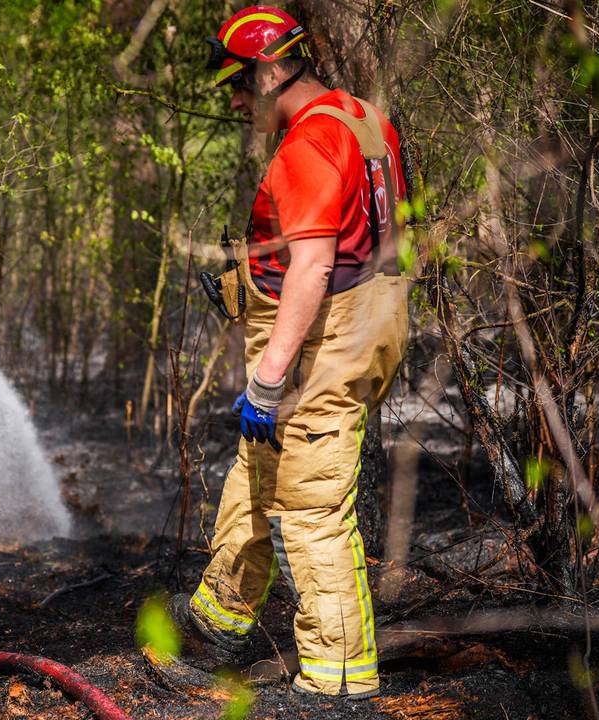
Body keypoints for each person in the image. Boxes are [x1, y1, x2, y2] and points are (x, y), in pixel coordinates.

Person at [147, 6, 411, 699]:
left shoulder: (308, 145)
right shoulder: (363, 119)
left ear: (268, 73)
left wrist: (268, 376)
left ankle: (340, 684)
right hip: (363, 317)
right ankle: (221, 616)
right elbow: (364, 235)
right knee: (258, 467)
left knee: (312, 507)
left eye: (237, 85)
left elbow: (314, 266)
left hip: (328, 336)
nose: (234, 102)